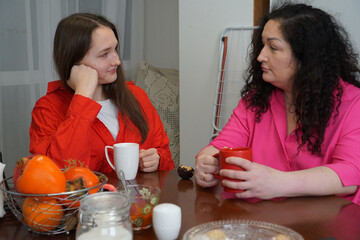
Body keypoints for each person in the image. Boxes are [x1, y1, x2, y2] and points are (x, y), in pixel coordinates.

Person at [195, 3, 360, 205]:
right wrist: (207, 161)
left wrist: (277, 182)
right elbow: (221, 146)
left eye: (273, 48)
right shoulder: (255, 100)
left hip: (328, 225)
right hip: (263, 222)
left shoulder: (354, 104)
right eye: (262, 45)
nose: (260, 56)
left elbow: (350, 174)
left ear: (307, 58)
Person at [29, 13, 174, 173]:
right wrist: (83, 96)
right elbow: (59, 173)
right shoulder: (48, 109)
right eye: (104, 54)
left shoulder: (136, 95)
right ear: (74, 62)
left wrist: (157, 159)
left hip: (138, 198)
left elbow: (165, 155)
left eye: (115, 50)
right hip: (87, 199)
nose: (117, 61)